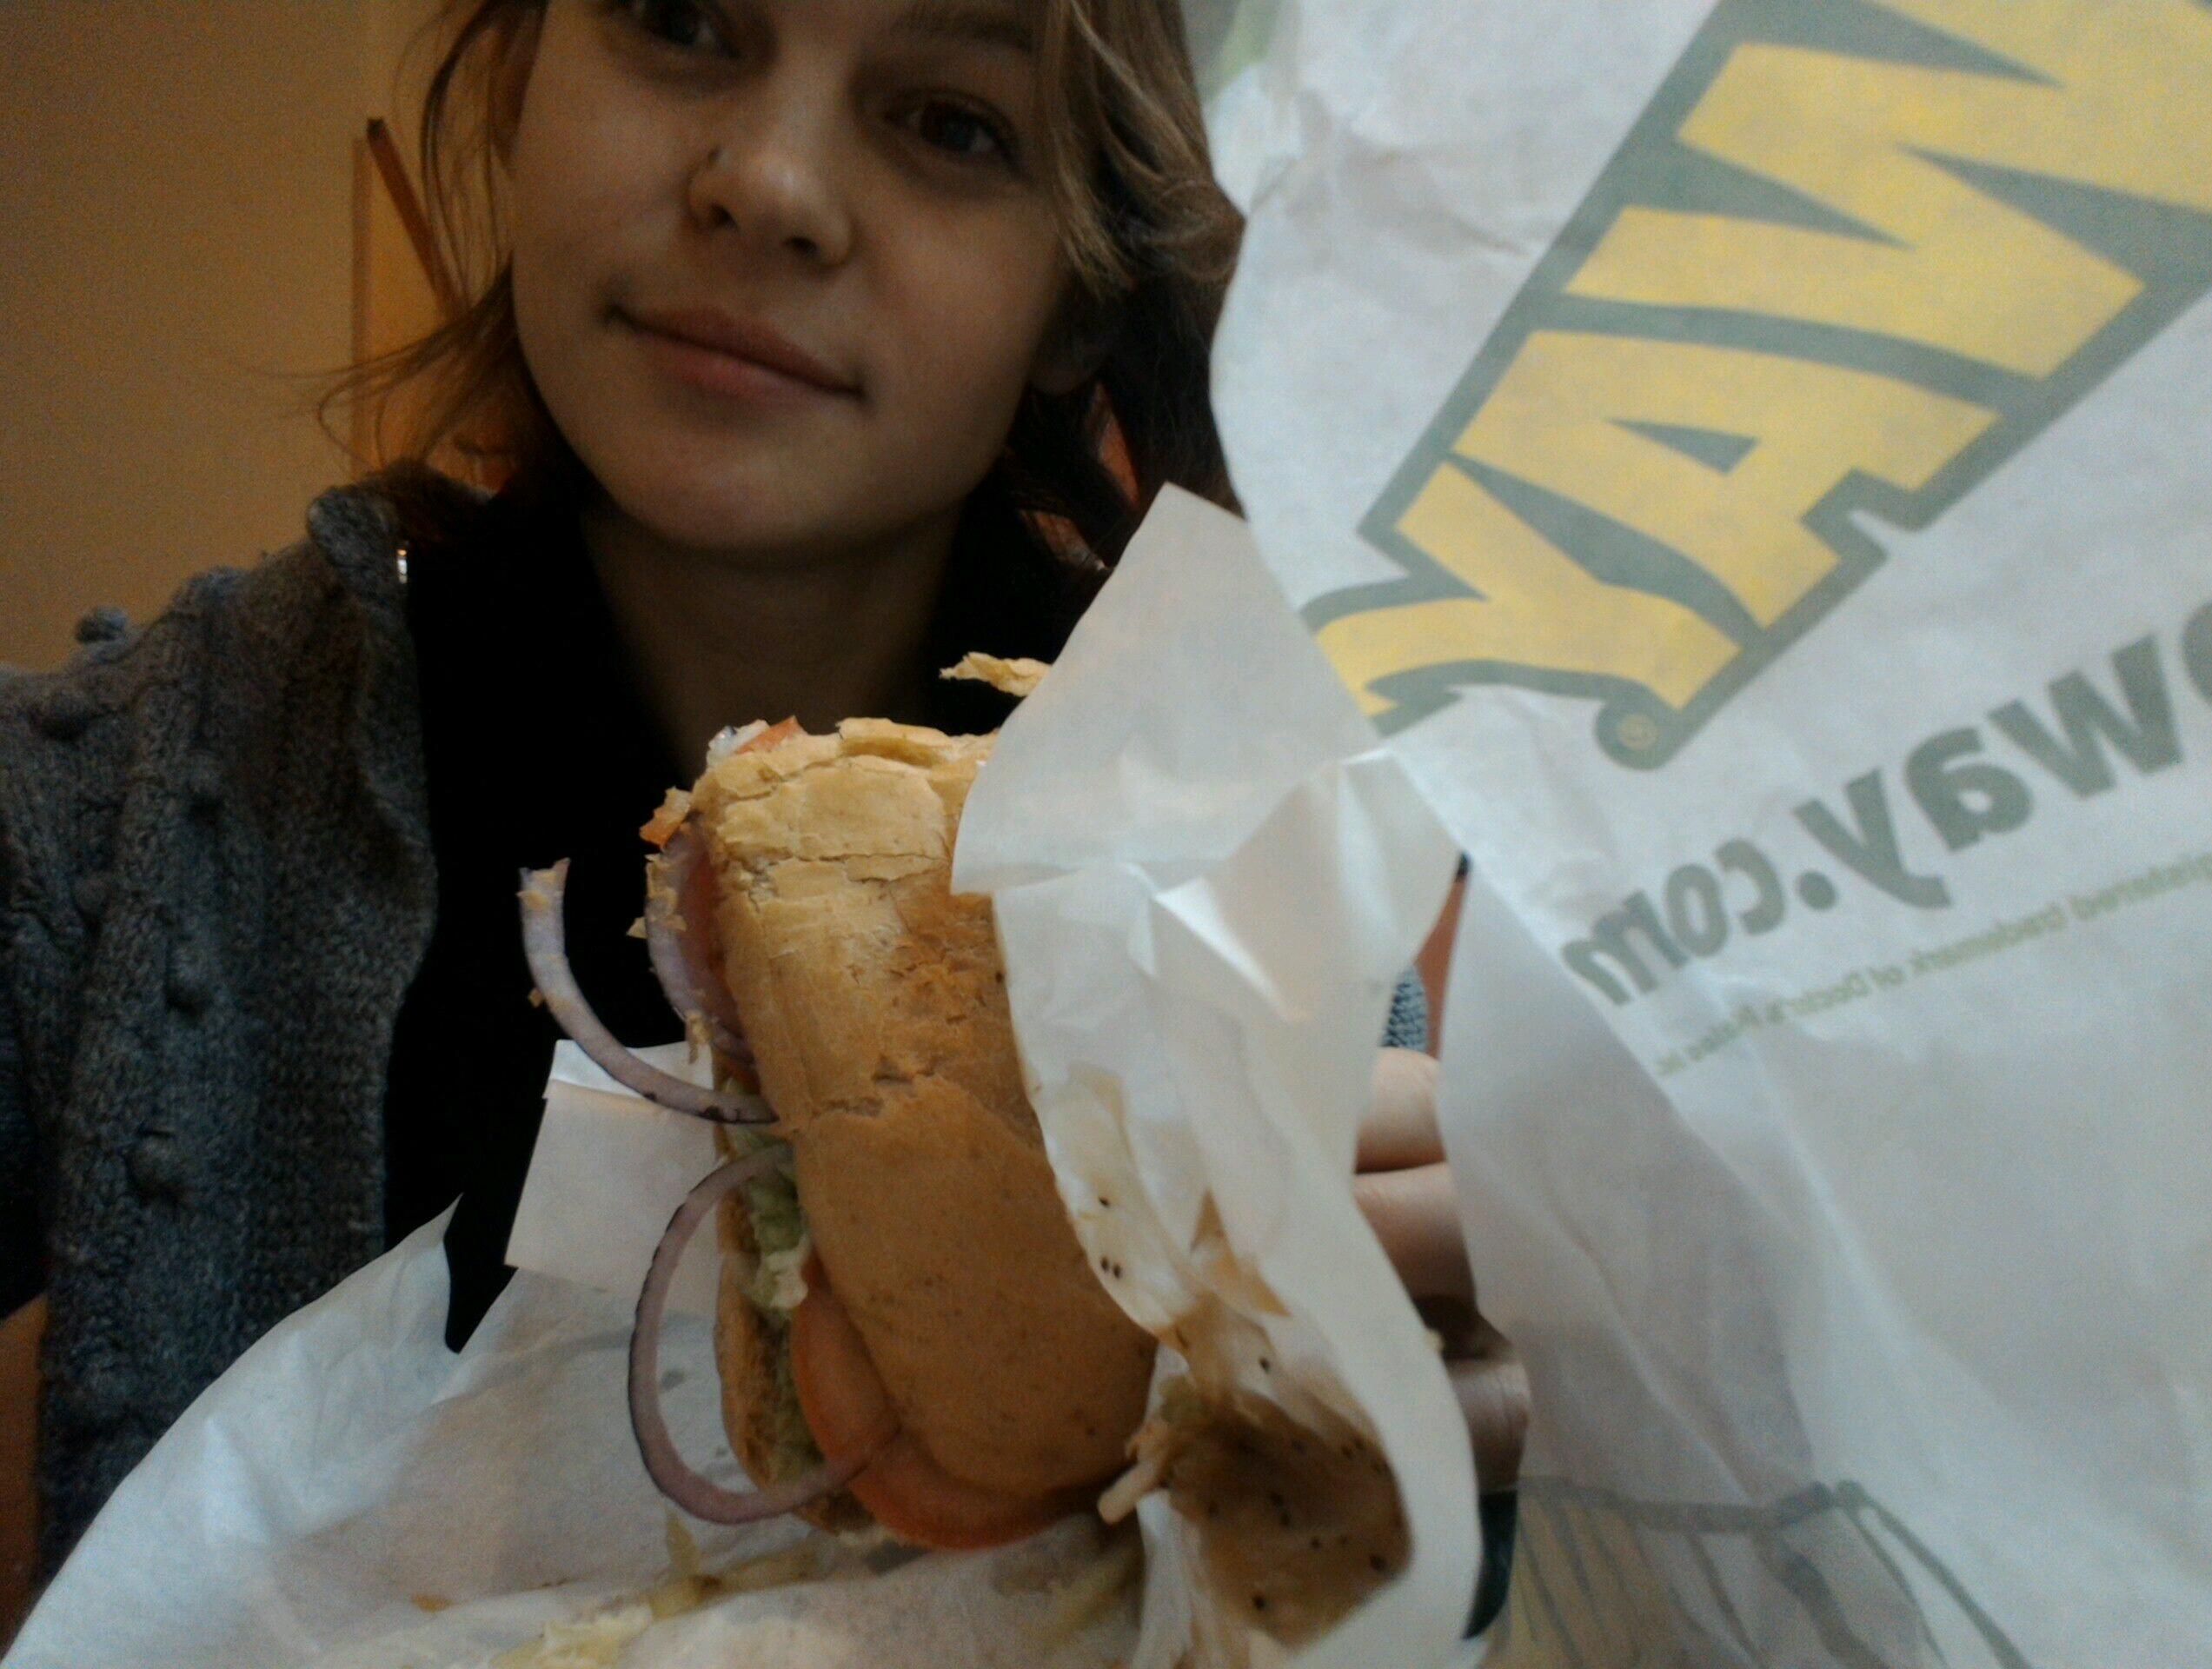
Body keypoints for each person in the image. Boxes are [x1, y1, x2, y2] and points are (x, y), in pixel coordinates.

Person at [0, 0, 1522, 1616]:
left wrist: (1464, 1493)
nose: (770, 184)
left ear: (1079, 293)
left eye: (953, 124)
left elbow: (1384, 1534)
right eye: (682, 20)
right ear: (517, 77)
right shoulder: (117, 823)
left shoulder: (1252, 875)